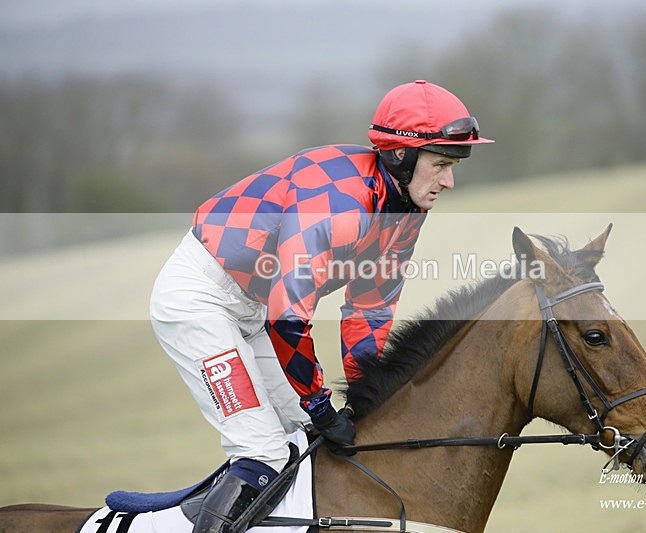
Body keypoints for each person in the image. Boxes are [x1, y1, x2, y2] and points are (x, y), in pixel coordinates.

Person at [149, 80, 493, 533]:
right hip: (201, 299)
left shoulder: (404, 210)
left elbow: (369, 310)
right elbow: (288, 317)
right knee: (264, 452)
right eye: (441, 164)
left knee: (308, 444)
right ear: (400, 156)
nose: (449, 181)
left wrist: (364, 398)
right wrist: (318, 402)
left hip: (256, 312)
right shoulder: (336, 204)